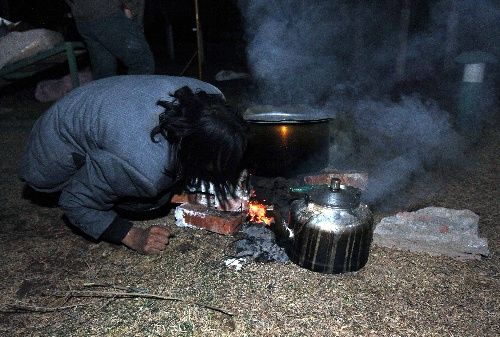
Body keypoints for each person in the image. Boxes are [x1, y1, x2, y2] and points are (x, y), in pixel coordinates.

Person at [20, 75, 248, 254]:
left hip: (86, 108)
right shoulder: (145, 168)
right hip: (49, 154)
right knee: (152, 200)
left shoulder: (210, 94)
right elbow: (74, 201)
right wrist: (133, 236)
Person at [65, 0, 155, 79]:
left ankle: (107, 98)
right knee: (142, 62)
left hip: (83, 16)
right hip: (107, 11)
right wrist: (131, 8)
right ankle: (130, 97)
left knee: (104, 72)